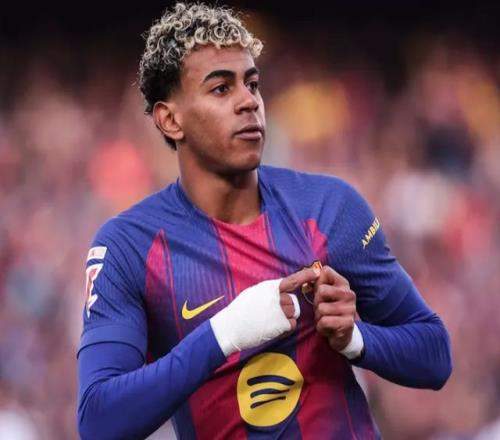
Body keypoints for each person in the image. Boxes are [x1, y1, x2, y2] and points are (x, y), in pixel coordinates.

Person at [77, 3, 452, 439]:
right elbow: (98, 421)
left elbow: (435, 355)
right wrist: (225, 333)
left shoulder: (328, 209)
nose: (248, 102)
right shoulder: (129, 247)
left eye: (252, 84)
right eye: (221, 88)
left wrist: (356, 338)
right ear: (170, 119)